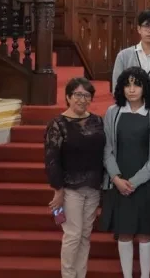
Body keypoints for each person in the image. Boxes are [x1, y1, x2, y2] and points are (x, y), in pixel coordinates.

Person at [101, 68, 150, 278]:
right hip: (119, 181)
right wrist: (116, 178)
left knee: (145, 234)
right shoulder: (113, 112)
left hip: (145, 182)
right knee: (124, 233)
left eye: (137, 84)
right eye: (127, 85)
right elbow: (106, 149)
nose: (132, 89)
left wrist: (134, 181)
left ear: (145, 87)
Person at [45, 78, 105, 278]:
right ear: (68, 97)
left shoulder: (98, 121)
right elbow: (52, 159)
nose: (82, 99)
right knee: (73, 235)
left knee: (85, 236)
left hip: (94, 187)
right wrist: (58, 190)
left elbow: (103, 154)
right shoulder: (58, 124)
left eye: (86, 95)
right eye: (78, 95)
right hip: (70, 188)